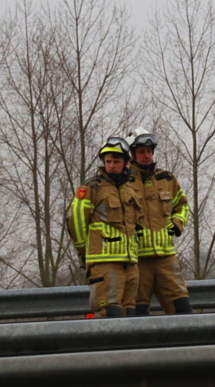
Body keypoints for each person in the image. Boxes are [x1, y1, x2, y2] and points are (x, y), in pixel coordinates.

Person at [67, 137, 142, 317]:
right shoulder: (92, 187)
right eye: (108, 161)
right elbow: (76, 221)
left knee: (130, 314)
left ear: (126, 163)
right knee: (109, 314)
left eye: (116, 161)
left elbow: (135, 225)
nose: (111, 165)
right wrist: (84, 253)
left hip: (130, 263)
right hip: (104, 262)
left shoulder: (130, 189)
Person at [126, 128, 193, 315]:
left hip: (166, 258)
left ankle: (186, 345)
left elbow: (183, 205)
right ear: (132, 154)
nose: (146, 156)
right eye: (141, 152)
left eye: (149, 151)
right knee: (137, 314)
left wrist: (177, 224)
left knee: (182, 309)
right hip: (137, 260)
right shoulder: (123, 182)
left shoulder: (167, 179)